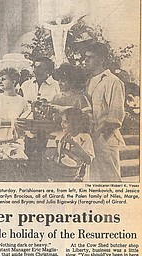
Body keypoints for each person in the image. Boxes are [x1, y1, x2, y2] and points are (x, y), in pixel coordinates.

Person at [84, 42, 125, 182]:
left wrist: (99, 136)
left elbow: (116, 115)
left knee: (110, 180)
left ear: (102, 59)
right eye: (85, 57)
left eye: (90, 57)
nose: (86, 61)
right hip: (90, 138)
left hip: (105, 138)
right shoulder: (88, 81)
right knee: (93, 180)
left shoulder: (113, 81)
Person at [47, 108, 95, 181]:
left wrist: (77, 147)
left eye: (65, 122)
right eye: (62, 121)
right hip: (63, 176)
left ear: (75, 124)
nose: (61, 124)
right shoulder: (60, 136)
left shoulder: (85, 137)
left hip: (78, 178)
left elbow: (88, 160)